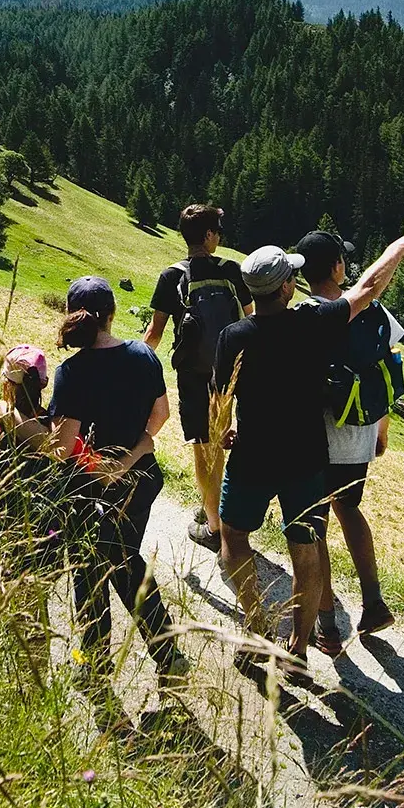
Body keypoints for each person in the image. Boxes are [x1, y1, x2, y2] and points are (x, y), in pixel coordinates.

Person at [213, 230, 404, 669]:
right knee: (306, 545)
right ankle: (298, 647)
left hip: (252, 455)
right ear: (287, 287)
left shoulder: (233, 335)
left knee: (234, 537)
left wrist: (226, 430)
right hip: (306, 460)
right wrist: (395, 250)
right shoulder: (311, 323)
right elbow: (367, 289)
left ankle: (255, 629)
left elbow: (220, 396)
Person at [50, 276, 189, 681]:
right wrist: (138, 450)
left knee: (92, 566)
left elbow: (64, 447)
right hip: (140, 482)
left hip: (89, 488)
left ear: (71, 315)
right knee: (123, 558)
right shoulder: (143, 355)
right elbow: (161, 415)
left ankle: (94, 661)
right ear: (112, 314)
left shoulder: (71, 372)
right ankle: (166, 654)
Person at [293, 231, 404, 641]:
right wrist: (381, 431)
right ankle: (373, 602)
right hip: (358, 435)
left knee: (313, 528)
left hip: (316, 437)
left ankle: (326, 624)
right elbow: (392, 369)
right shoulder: (376, 312)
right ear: (338, 267)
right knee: (350, 510)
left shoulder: (304, 313)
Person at [144, 204, 249, 553]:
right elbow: (250, 320)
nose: (219, 236)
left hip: (192, 374)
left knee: (204, 448)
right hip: (229, 374)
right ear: (207, 236)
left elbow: (156, 332)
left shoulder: (171, 275)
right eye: (217, 230)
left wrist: (134, 363)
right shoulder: (232, 271)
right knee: (220, 443)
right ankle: (218, 515)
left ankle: (213, 526)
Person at [0, 344, 66, 674]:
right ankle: (36, 673)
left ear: (7, 384)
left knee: (12, 600)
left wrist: (9, 412)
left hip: (11, 527)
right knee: (36, 605)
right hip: (49, 532)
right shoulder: (55, 426)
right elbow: (57, 448)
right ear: (44, 384)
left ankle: (15, 673)